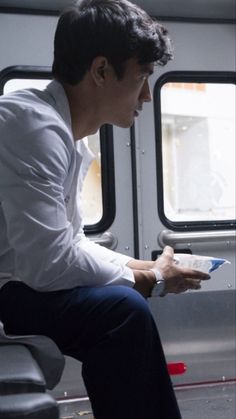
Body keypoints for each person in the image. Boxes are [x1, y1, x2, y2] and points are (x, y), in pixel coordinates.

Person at [0, 1, 210, 418]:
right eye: (142, 77)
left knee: (122, 303)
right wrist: (150, 280)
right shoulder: (33, 128)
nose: (148, 95)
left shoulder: (69, 138)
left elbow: (70, 242)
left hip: (16, 282)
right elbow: (49, 265)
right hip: (10, 287)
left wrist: (145, 266)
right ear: (100, 71)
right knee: (122, 310)